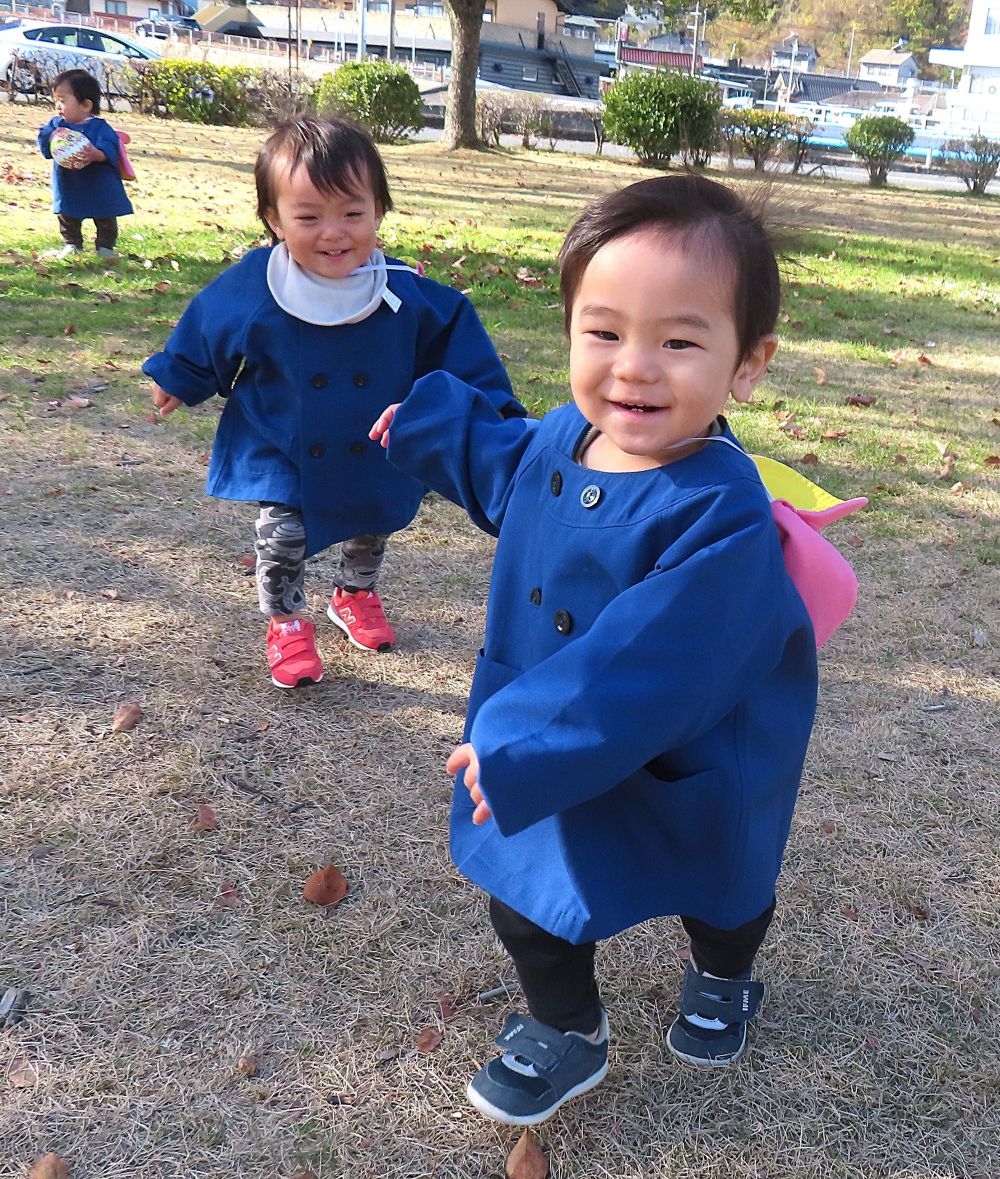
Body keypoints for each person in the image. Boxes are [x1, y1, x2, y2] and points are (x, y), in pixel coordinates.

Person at [371, 175, 833, 1126]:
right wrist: (432, 424)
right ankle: (566, 1027)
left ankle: (723, 973)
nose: (635, 368)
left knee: (721, 880)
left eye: (679, 339)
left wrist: (526, 741)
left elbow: (649, 657)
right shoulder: (562, 439)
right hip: (547, 743)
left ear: (748, 363)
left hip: (688, 746)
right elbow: (504, 466)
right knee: (526, 888)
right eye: (605, 331)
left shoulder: (721, 510)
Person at [143, 116, 522, 688]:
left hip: (374, 440)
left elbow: (458, 344)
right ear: (274, 220)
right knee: (283, 533)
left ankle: (353, 593)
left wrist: (491, 407)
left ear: (378, 211)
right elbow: (210, 325)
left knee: (373, 522)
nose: (333, 233)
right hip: (282, 437)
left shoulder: (401, 291)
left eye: (352, 213)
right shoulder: (259, 282)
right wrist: (182, 373)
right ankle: (286, 620)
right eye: (308, 216)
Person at [37, 69, 133, 260]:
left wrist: (98, 154)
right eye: (56, 100)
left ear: (86, 105)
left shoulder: (100, 127)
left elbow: (111, 146)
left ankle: (105, 246)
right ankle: (72, 243)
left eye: (63, 100)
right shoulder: (56, 125)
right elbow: (44, 144)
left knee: (105, 216)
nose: (58, 106)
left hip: (98, 184)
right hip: (69, 183)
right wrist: (50, 138)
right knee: (67, 214)